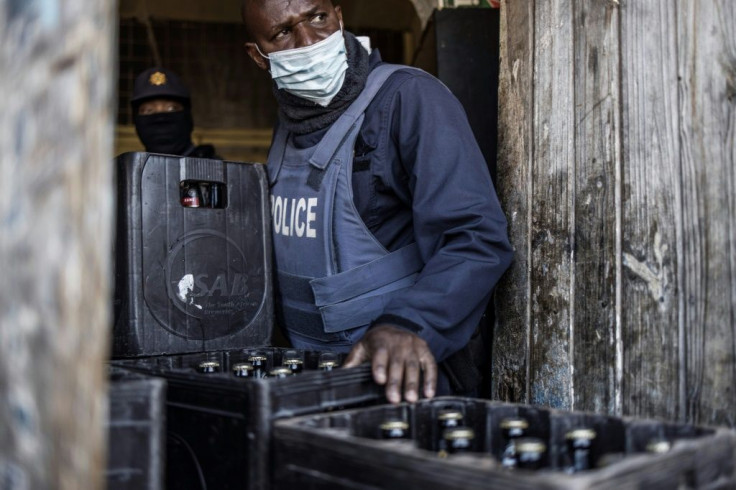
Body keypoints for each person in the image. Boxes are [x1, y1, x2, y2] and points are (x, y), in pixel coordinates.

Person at [241, 0, 513, 403]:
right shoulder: (287, 129)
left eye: (318, 18)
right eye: (282, 33)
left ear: (339, 15)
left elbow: (476, 237)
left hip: (400, 383)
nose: (309, 41)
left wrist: (409, 325)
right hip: (314, 382)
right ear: (259, 57)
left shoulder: (409, 99)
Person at [130, 66, 219, 159]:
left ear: (188, 117)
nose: (161, 119)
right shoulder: (126, 172)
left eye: (171, 108)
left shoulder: (216, 170)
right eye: (148, 110)